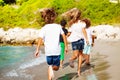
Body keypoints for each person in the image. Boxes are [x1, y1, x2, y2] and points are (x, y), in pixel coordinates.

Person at [34, 8, 68, 80]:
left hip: (48, 52)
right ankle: (52, 68)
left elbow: (40, 39)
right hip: (56, 51)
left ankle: (50, 70)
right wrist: (66, 47)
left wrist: (37, 50)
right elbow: (64, 36)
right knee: (56, 68)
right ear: (54, 18)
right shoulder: (58, 26)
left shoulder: (44, 28)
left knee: (49, 65)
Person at [67, 9, 89, 76]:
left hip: (81, 40)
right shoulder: (72, 24)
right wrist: (66, 36)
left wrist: (87, 39)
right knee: (76, 55)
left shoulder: (82, 23)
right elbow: (69, 32)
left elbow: (84, 31)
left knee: (80, 55)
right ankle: (71, 59)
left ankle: (78, 70)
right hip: (74, 41)